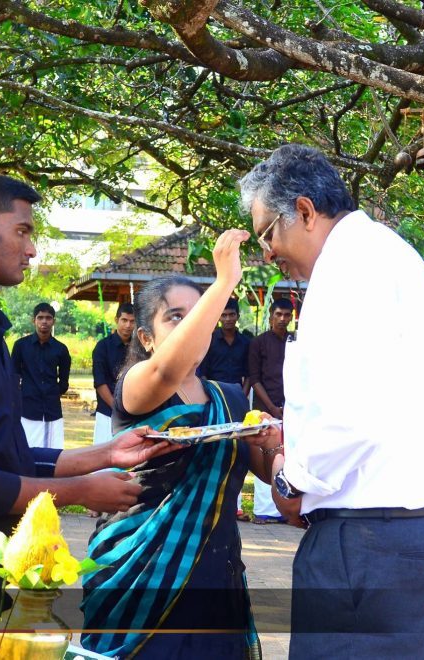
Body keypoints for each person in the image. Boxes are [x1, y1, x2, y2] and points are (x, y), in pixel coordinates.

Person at [0, 171, 176, 660]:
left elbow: (9, 456)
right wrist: (83, 492)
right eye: (22, 231)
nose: (32, 249)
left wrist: (107, 453)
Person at [239, 143, 424, 658]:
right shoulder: (383, 253)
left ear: (304, 212)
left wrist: (291, 479)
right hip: (418, 528)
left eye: (267, 234)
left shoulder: (348, 271)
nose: (267, 253)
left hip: (374, 540)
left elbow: (351, 417)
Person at [82, 235, 281, 660]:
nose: (197, 326)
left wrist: (269, 444)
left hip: (215, 574)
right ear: (146, 338)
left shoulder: (230, 397)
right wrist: (224, 281)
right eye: (176, 317)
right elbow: (168, 369)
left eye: (200, 315)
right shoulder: (138, 385)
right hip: (141, 575)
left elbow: (264, 469)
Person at [199, 297, 253, 521]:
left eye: (232, 315)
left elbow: (249, 374)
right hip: (214, 400)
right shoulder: (209, 340)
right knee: (213, 449)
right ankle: (209, 504)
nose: (228, 319)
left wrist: (241, 396)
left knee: (237, 450)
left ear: (238, 316)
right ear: (219, 317)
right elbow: (202, 373)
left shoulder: (246, 342)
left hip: (238, 400)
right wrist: (211, 397)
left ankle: (234, 506)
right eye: (224, 315)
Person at [248, 298, 294, 524]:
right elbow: (254, 378)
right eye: (279, 314)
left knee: (289, 456)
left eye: (287, 315)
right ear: (270, 316)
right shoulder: (259, 343)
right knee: (264, 453)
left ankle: (286, 508)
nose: (282, 319)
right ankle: (263, 510)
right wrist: (273, 407)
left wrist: (290, 405)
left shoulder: (295, 342)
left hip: (292, 408)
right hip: (265, 408)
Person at [11, 302, 71, 449]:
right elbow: (13, 376)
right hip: (27, 409)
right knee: (26, 449)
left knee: (53, 450)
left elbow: (64, 382)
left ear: (53, 321)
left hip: (52, 409)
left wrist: (52, 392)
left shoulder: (61, 349)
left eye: (48, 318)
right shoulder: (21, 346)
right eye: (40, 317)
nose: (44, 321)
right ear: (34, 320)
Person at [91, 302, 135, 446]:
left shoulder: (140, 347)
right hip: (107, 413)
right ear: (117, 320)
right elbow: (100, 382)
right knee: (102, 454)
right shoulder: (102, 347)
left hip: (134, 414)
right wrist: (117, 408)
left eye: (132, 321)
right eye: (124, 320)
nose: (128, 325)